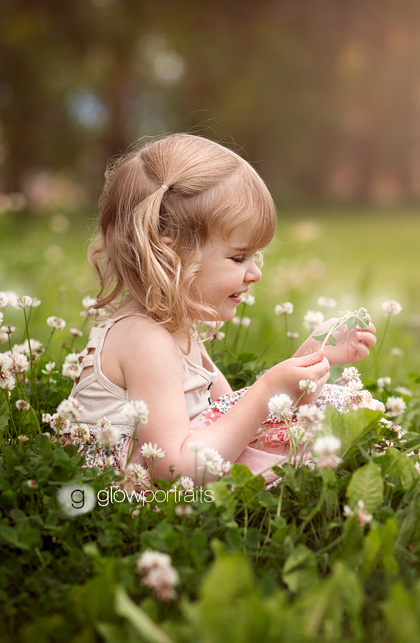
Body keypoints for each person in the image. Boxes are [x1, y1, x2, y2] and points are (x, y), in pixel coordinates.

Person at [65, 133, 376, 484]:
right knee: (306, 439)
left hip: (188, 468)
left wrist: (308, 361)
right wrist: (268, 389)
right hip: (134, 494)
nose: (256, 272)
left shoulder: (177, 328)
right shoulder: (144, 340)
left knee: (328, 409)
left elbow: (231, 415)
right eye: (239, 257)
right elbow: (172, 471)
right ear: (172, 256)